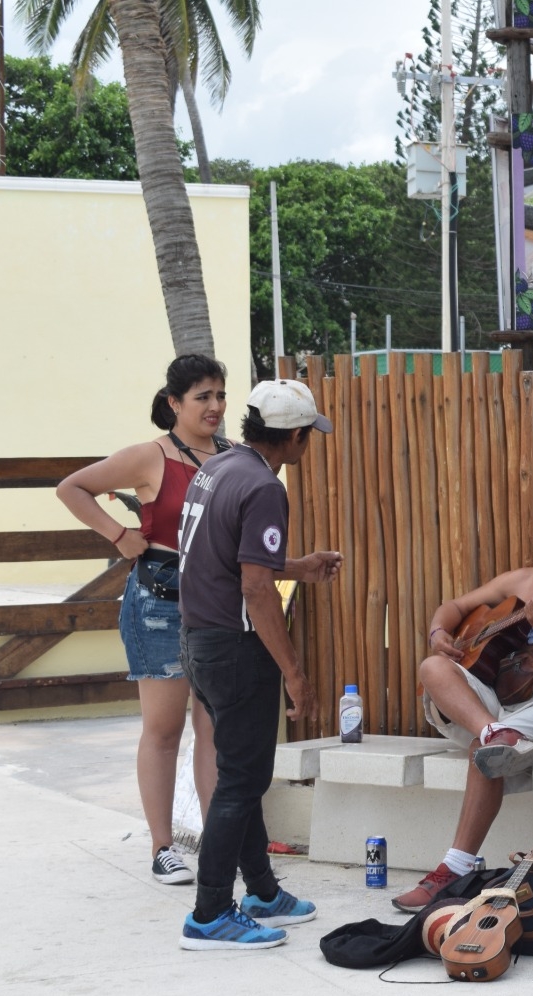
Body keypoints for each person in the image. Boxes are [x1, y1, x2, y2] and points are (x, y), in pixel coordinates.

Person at [177, 378, 341, 950]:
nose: (308, 445)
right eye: (308, 436)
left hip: (198, 641)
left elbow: (229, 560)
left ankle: (264, 893)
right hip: (237, 649)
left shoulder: (217, 467)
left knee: (240, 777)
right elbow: (254, 588)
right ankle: (210, 913)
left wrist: (297, 564)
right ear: (294, 436)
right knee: (242, 782)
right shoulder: (265, 487)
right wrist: (294, 673)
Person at [391, 496, 533, 913]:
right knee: (433, 667)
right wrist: (440, 630)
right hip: (502, 710)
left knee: (484, 753)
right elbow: (455, 607)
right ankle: (492, 730)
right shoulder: (522, 579)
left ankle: (452, 869)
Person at [56, 355, 228, 887]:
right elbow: (71, 488)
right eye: (203, 397)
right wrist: (118, 535)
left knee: (213, 728)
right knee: (163, 728)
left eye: (221, 395)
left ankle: (220, 843)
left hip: (216, 603)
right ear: (175, 403)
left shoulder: (232, 457)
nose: (216, 407)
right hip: (159, 602)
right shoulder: (147, 456)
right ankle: (162, 847)